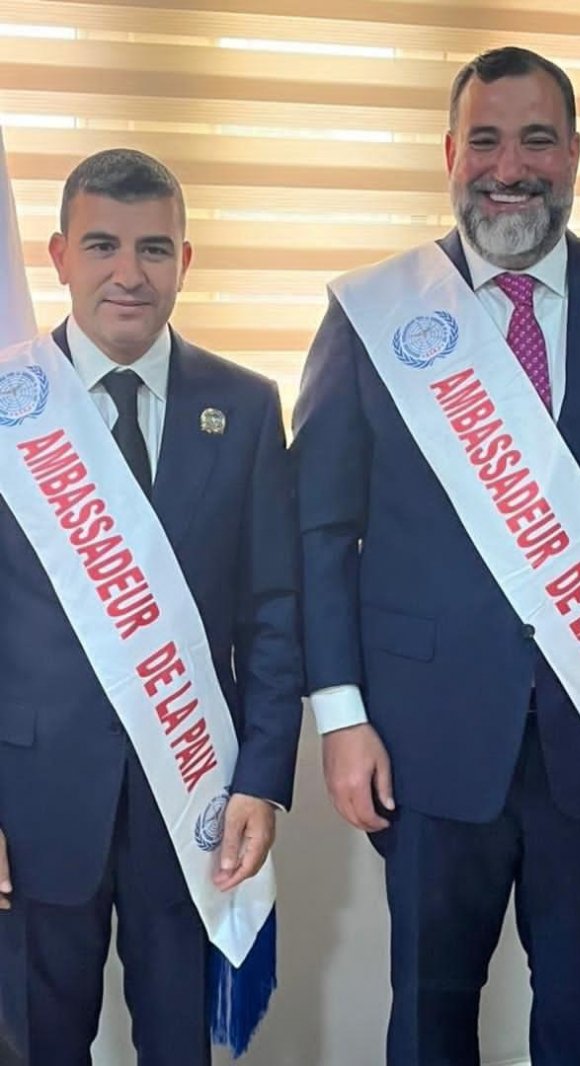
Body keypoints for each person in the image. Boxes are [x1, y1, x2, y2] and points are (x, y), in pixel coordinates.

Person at [292, 46, 580, 1065]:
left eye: (536, 140)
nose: (510, 167)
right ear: (449, 154)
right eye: (486, 141)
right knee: (428, 1005)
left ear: (574, 153)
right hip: (425, 735)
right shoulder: (375, 315)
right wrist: (342, 716)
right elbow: (319, 532)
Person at [0, 149, 303, 1065]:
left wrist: (261, 779)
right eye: (102, 246)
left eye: (154, 248)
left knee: (179, 1045)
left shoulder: (246, 406)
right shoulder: (10, 409)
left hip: (193, 790)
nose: (129, 273)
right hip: (32, 799)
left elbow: (274, 613)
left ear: (185, 260)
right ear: (59, 256)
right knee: (38, 1045)